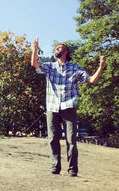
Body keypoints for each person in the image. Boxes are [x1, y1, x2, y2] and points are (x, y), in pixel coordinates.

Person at [31, 38, 105, 177]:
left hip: (69, 107)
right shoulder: (50, 67)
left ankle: (72, 169)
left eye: (59, 48)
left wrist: (101, 66)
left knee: (71, 140)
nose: (56, 50)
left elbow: (91, 80)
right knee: (53, 139)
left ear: (66, 52)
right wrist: (35, 48)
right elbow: (34, 64)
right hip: (52, 107)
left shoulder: (75, 68)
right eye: (56, 48)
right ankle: (55, 167)